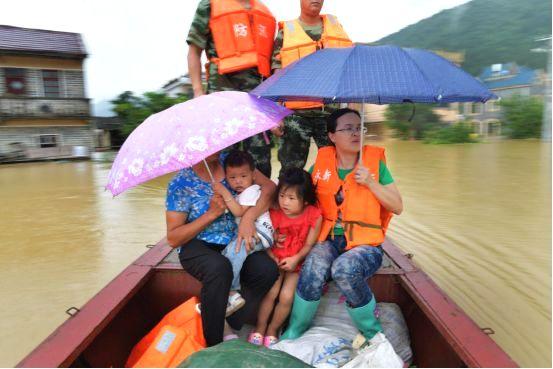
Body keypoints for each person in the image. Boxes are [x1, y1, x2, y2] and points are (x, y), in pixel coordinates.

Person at [281, 108, 403, 344]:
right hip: (329, 239)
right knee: (314, 264)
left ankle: (372, 333)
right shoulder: (322, 163)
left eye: (359, 128)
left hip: (365, 244)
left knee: (344, 269)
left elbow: (397, 206)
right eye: (348, 128)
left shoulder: (374, 164)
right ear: (332, 136)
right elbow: (298, 197)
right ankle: (296, 328)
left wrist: (370, 182)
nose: (356, 133)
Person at [166, 151, 279, 347]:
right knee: (220, 268)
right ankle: (214, 342)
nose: (216, 149)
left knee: (267, 270)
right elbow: (173, 238)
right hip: (198, 243)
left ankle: (230, 319)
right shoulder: (181, 183)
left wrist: (248, 218)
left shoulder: (232, 162)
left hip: (234, 238)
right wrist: (210, 215)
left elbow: (269, 187)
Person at [187, 0, 276, 177]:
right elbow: (194, 51)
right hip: (222, 97)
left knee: (261, 161)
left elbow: (272, 63)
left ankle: (259, 204)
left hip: (257, 100)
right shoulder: (209, 5)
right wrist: (198, 91)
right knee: (224, 157)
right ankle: (226, 202)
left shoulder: (264, 11)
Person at [270, 0, 352, 175]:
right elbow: (277, 77)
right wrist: (276, 115)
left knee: (337, 169)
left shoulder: (337, 29)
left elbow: (349, 70)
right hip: (296, 117)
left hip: (331, 115)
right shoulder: (285, 33)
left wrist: (351, 114)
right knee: (290, 173)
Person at [248, 168, 322, 347]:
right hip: (275, 259)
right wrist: (271, 256)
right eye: (282, 196)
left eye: (291, 198)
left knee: (287, 296)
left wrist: (296, 259)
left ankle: (273, 328)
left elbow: (309, 245)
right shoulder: (273, 213)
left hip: (296, 262)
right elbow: (264, 239)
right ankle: (260, 327)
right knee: (271, 292)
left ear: (305, 200)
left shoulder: (314, 215)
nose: (284, 202)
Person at [208, 150, 274, 317]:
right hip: (253, 233)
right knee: (227, 253)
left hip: (259, 232)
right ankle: (229, 293)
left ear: (253, 175)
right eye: (232, 178)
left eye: (243, 176)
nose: (238, 181)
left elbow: (238, 212)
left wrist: (224, 191)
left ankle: (232, 292)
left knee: (234, 251)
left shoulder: (251, 190)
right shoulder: (241, 193)